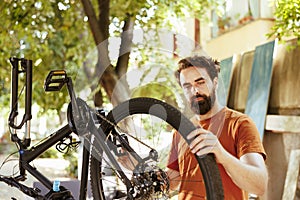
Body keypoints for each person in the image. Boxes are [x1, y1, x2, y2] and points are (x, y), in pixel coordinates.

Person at [166, 55, 268, 199]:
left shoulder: (240, 124)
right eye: (187, 86)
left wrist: (221, 154)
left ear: (215, 83)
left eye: (200, 82)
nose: (194, 91)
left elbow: (259, 185)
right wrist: (134, 166)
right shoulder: (180, 131)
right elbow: (172, 180)